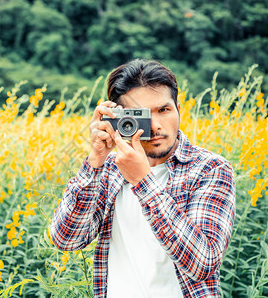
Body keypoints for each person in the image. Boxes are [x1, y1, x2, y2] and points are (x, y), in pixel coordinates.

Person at [50, 59, 236, 298]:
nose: (156, 125)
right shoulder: (109, 169)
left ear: (178, 108)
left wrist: (143, 181)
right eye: (142, 116)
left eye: (164, 110)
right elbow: (66, 239)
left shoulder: (209, 168)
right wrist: (95, 158)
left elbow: (203, 263)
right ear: (120, 119)